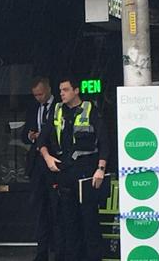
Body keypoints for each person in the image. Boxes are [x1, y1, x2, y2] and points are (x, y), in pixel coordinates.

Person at [37, 77, 109, 261]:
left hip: (86, 172)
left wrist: (100, 168)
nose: (61, 93)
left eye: (65, 89)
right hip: (65, 173)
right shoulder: (57, 110)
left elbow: (104, 142)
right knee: (68, 223)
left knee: (89, 221)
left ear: (76, 91)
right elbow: (41, 140)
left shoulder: (90, 109)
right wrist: (47, 158)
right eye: (60, 90)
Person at [21, 77, 62, 261]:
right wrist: (31, 135)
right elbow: (23, 134)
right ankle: (41, 251)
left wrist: (44, 136)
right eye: (35, 95)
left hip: (55, 163)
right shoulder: (33, 108)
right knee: (39, 209)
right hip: (37, 164)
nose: (38, 98)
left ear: (49, 90)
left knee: (58, 209)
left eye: (41, 94)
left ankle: (59, 250)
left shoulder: (59, 107)